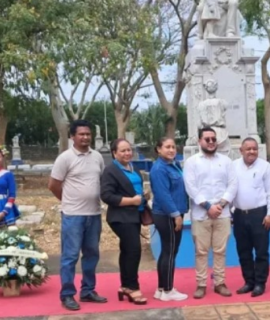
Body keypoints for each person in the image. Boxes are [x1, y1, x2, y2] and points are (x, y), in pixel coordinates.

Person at [49, 120, 107, 311]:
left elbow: (100, 181)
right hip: (73, 215)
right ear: (72, 137)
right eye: (81, 134)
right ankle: (67, 294)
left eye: (88, 134)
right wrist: (67, 202)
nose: (85, 137)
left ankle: (88, 290)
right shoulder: (64, 158)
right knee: (70, 256)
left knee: (91, 254)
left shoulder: (97, 157)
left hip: (94, 214)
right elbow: (54, 185)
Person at [183, 127, 236, 299]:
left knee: (220, 250)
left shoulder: (226, 161)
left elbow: (233, 185)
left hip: (223, 213)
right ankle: (201, 284)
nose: (211, 142)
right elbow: (190, 187)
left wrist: (219, 205)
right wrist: (208, 206)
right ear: (199, 141)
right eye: (207, 139)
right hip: (201, 214)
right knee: (201, 251)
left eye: (214, 139)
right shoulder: (192, 162)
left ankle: (220, 283)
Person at [101, 139, 148, 305]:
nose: (127, 153)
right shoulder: (111, 170)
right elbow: (107, 196)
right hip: (120, 217)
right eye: (123, 151)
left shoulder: (132, 168)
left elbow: (135, 190)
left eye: (129, 150)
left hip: (135, 216)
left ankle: (125, 285)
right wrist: (132, 201)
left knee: (128, 250)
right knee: (134, 250)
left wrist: (143, 198)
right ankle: (132, 287)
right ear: (114, 153)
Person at [232, 138, 270, 297]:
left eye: (254, 149)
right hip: (238, 214)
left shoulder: (265, 167)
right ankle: (248, 281)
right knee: (243, 251)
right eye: (248, 149)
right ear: (241, 150)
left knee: (261, 251)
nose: (252, 152)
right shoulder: (233, 166)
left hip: (259, 214)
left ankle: (260, 283)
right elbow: (230, 189)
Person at [149, 137, 189, 302]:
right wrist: (175, 215)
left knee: (168, 251)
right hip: (167, 215)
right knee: (170, 251)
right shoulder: (159, 169)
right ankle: (168, 290)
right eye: (167, 147)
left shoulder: (174, 165)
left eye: (173, 147)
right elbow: (163, 195)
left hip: (173, 212)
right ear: (158, 149)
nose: (171, 150)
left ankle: (161, 288)